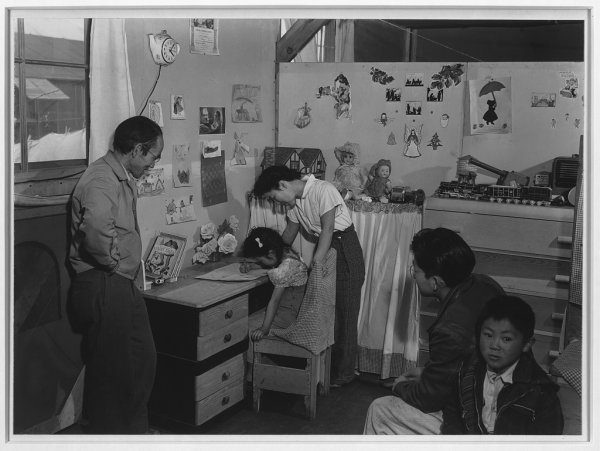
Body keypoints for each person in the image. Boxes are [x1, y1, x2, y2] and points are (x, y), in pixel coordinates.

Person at [68, 115, 163, 434]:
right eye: (153, 156)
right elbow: (95, 229)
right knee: (116, 372)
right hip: (104, 283)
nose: (153, 163)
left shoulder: (120, 176)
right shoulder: (101, 179)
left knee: (140, 360)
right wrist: (113, 265)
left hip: (120, 285)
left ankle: (132, 432)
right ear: (137, 149)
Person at [364, 227, 505, 435]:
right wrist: (428, 374)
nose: (414, 276)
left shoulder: (449, 329)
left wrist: (400, 386)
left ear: (436, 282)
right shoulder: (485, 284)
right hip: (495, 397)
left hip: (480, 422)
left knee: (379, 409)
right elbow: (464, 363)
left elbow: (427, 399)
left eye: (416, 271)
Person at [252, 165, 365, 387]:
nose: (277, 204)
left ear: (283, 185)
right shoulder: (294, 203)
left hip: (344, 249)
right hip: (327, 249)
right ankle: (326, 370)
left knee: (345, 312)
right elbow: (288, 235)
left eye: (274, 198)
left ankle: (344, 374)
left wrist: (317, 263)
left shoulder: (323, 190)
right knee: (325, 312)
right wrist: (262, 258)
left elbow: (328, 229)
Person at [442, 295, 564, 434]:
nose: (494, 345)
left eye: (506, 339)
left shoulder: (540, 391)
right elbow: (453, 416)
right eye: (488, 335)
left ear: (527, 344)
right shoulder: (467, 371)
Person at [240, 227, 308, 341]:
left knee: (242, 327)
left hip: (286, 318)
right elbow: (272, 263)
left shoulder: (285, 268)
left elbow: (274, 301)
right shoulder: (287, 253)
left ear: (270, 253)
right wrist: (252, 266)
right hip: (293, 312)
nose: (260, 263)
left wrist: (264, 329)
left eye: (260, 261)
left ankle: (251, 359)